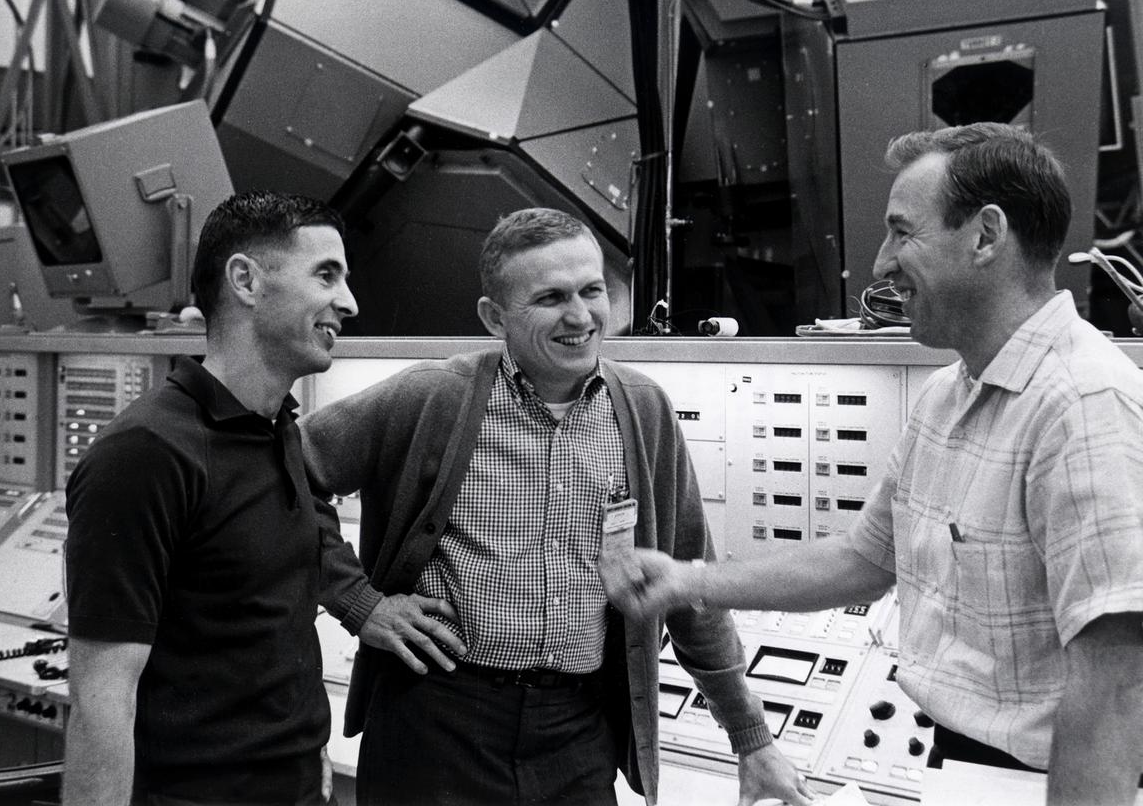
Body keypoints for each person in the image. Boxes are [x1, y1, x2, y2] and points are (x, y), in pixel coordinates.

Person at [600, 124, 1143, 804]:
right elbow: (862, 561)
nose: (882, 263)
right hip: (958, 764)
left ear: (985, 236)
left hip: (1042, 779)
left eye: (901, 233)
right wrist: (689, 581)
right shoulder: (950, 394)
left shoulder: (1084, 407)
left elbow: (1116, 688)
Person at [299, 207, 809, 806]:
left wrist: (751, 737)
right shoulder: (431, 397)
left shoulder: (643, 411)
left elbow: (692, 584)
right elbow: (288, 479)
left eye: (593, 291)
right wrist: (362, 604)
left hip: (578, 733)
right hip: (436, 718)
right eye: (550, 298)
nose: (580, 316)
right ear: (495, 318)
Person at [63, 192, 463, 806]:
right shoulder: (146, 453)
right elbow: (100, 701)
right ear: (245, 280)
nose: (349, 303)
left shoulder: (277, 433)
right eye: (326, 275)